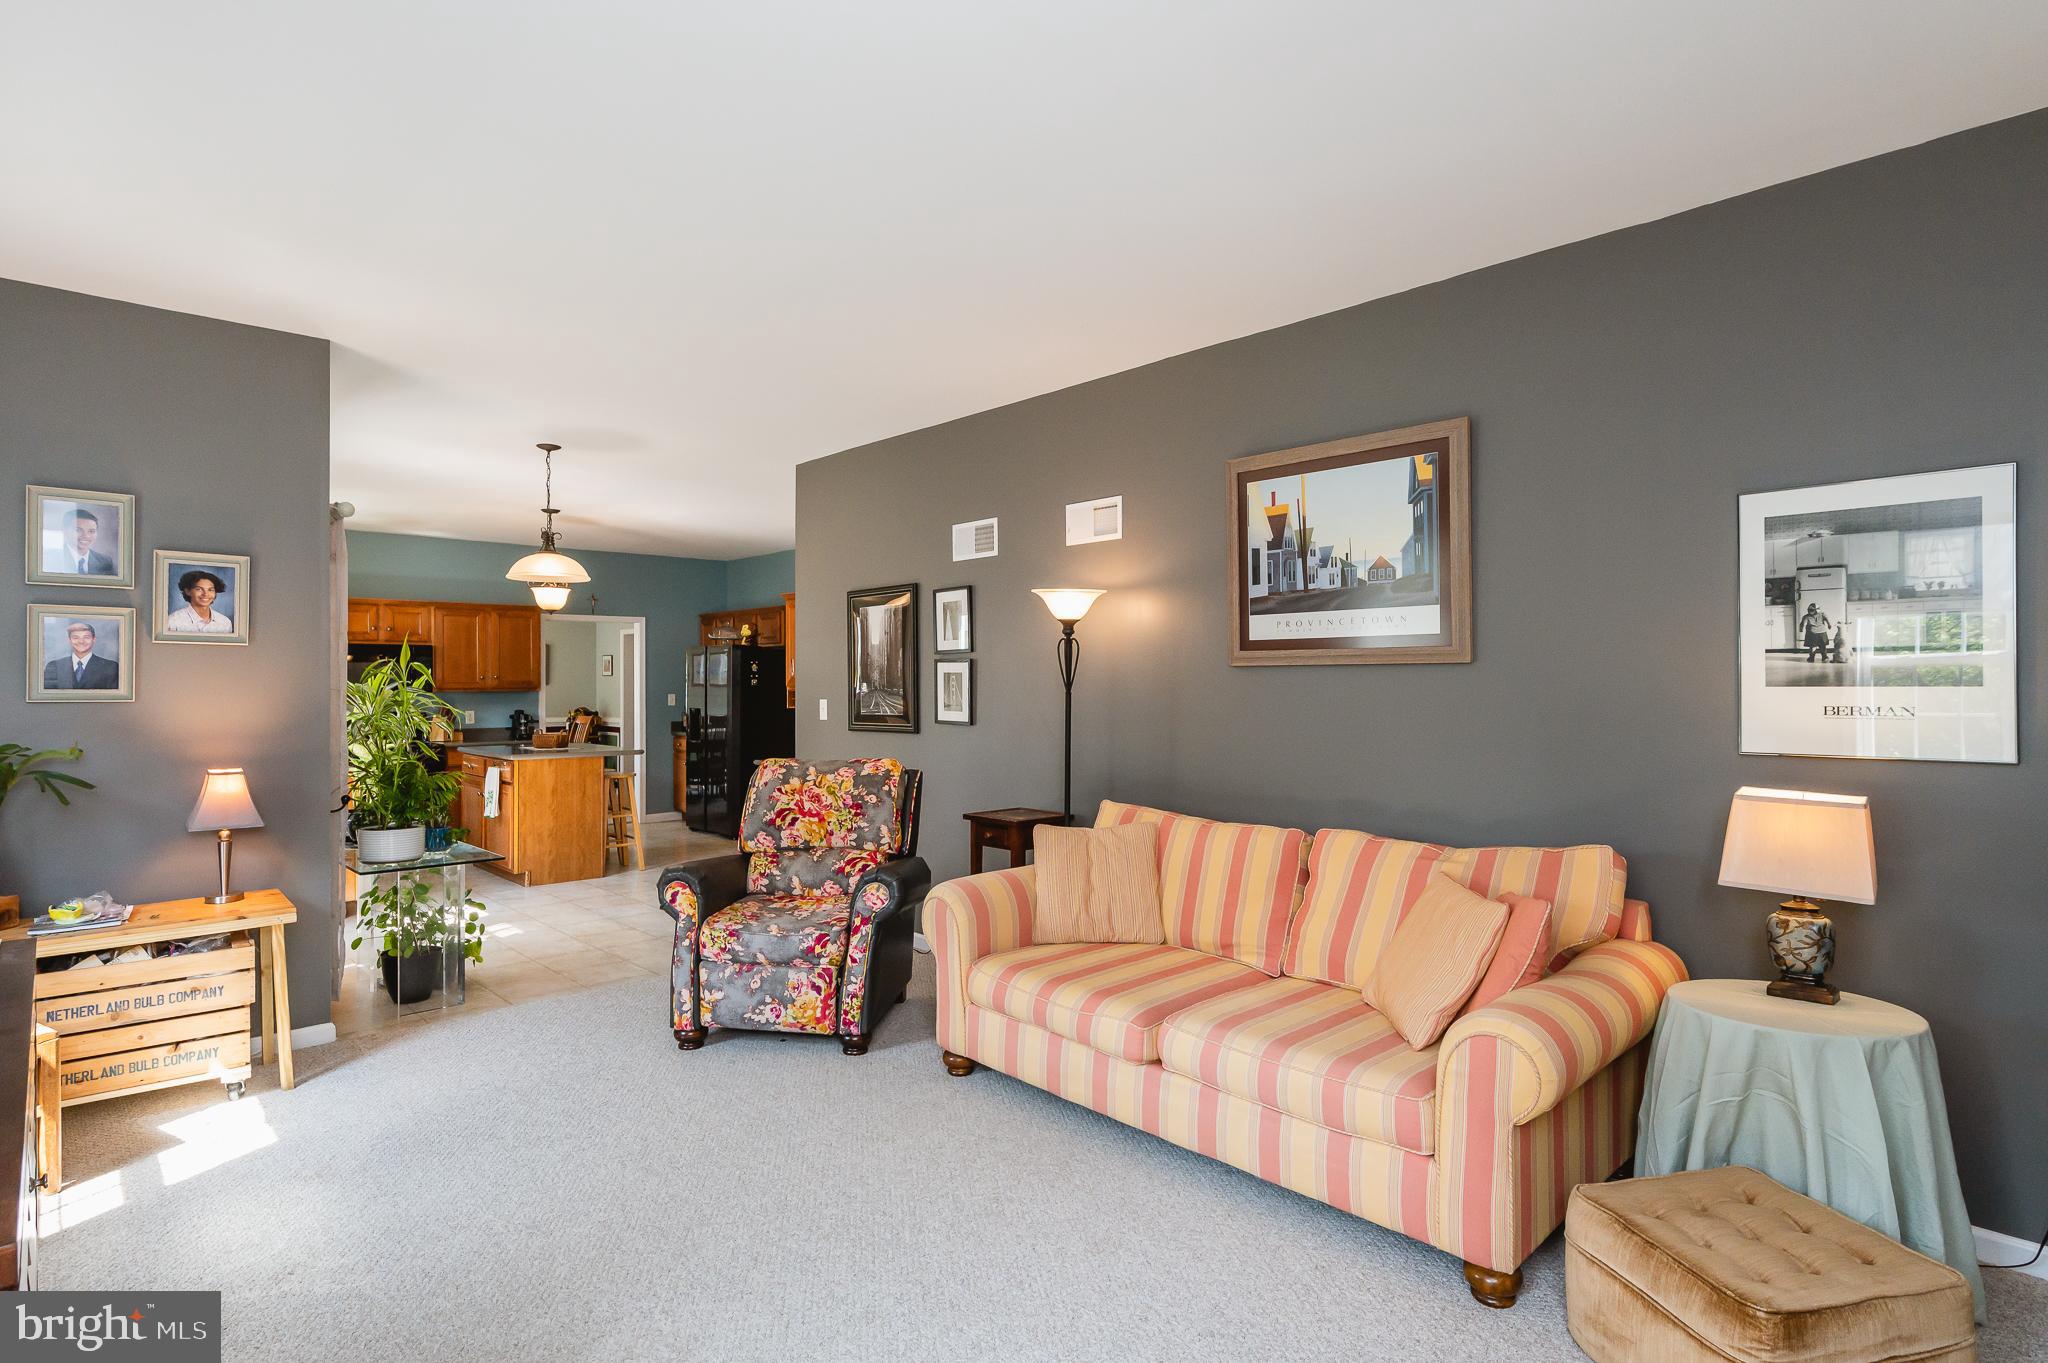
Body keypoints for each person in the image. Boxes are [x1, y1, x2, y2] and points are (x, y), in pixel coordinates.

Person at [43, 621, 118, 690]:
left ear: (94, 639)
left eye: (86, 637)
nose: (81, 641)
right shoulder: (54, 666)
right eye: (75, 637)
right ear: (69, 640)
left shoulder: (111, 667)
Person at [165, 568, 235, 634]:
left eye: (210, 590)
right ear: (188, 591)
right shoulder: (173, 621)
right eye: (199, 589)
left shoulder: (225, 622)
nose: (205, 594)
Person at [50, 507, 116, 576]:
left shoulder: (105, 562)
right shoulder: (51, 559)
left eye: (91, 531)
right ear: (65, 531)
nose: (86, 536)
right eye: (78, 530)